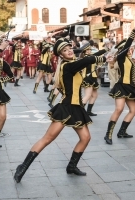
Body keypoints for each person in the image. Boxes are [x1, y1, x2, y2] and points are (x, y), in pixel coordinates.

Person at [14, 37, 106, 183]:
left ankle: (71, 166)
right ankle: (22, 167)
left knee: (85, 138)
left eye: (69, 48)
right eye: (64, 50)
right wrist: (103, 56)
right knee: (47, 139)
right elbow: (87, 60)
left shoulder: (71, 63)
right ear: (61, 55)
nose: (69, 51)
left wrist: (106, 50)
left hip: (76, 107)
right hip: (66, 107)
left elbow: (88, 57)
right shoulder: (68, 66)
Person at [104, 25, 135, 145]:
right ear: (123, 49)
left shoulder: (130, 59)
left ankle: (122, 132)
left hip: (130, 87)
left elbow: (133, 74)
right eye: (128, 48)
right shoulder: (121, 57)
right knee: (119, 109)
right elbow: (127, 44)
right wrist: (134, 31)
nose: (130, 49)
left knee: (133, 109)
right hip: (121, 86)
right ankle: (108, 134)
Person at [80, 42, 107, 116]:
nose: (89, 51)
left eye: (89, 49)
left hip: (93, 77)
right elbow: (97, 55)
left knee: (94, 95)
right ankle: (79, 111)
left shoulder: (91, 56)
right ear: (84, 51)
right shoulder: (86, 58)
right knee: (88, 95)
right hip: (87, 77)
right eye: (87, 50)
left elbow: (98, 54)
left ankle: (88, 111)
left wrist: (106, 49)